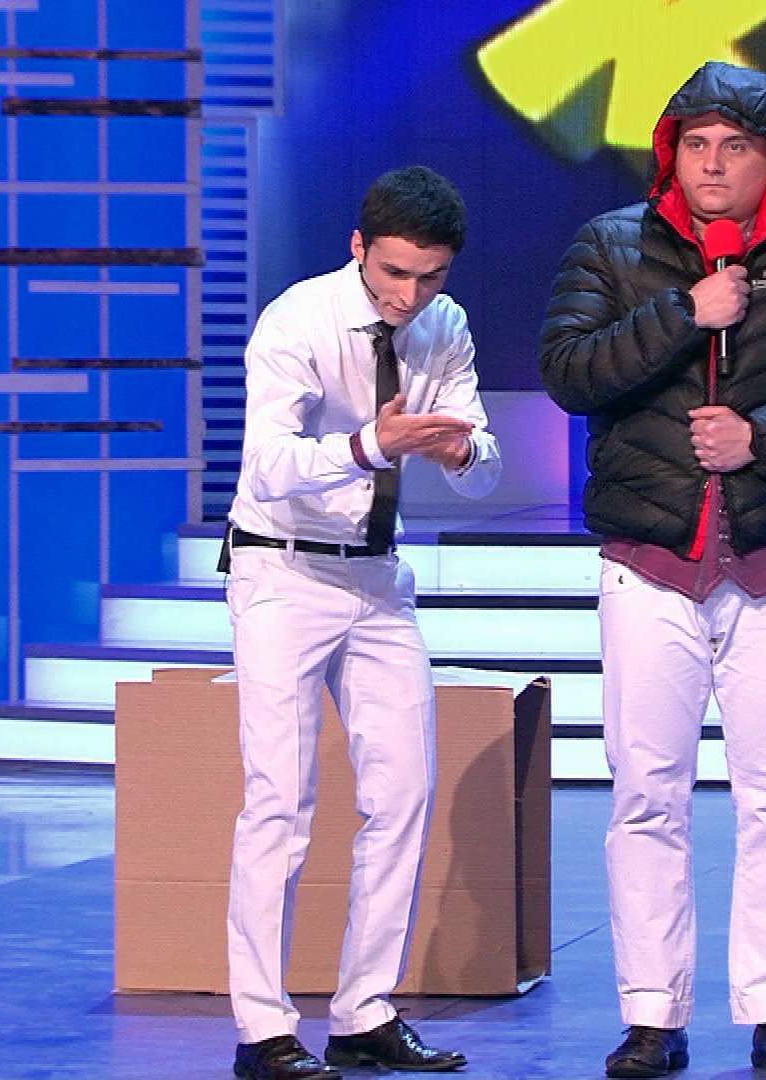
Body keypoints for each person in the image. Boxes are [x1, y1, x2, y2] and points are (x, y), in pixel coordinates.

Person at [539, 62, 766, 1079]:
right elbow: (569, 371)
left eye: (733, 146)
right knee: (645, 797)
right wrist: (682, 314)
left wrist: (762, 437)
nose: (711, 163)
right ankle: (652, 1015)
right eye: (694, 144)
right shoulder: (611, 245)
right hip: (648, 562)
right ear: (671, 154)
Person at [222, 165, 498, 1080]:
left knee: (403, 792)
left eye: (431, 276)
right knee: (280, 800)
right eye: (394, 273)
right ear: (358, 248)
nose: (409, 296)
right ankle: (263, 1031)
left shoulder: (445, 326)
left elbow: (483, 470)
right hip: (282, 569)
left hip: (377, 575)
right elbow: (267, 468)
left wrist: (461, 449)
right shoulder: (297, 319)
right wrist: (371, 444)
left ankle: (363, 1013)